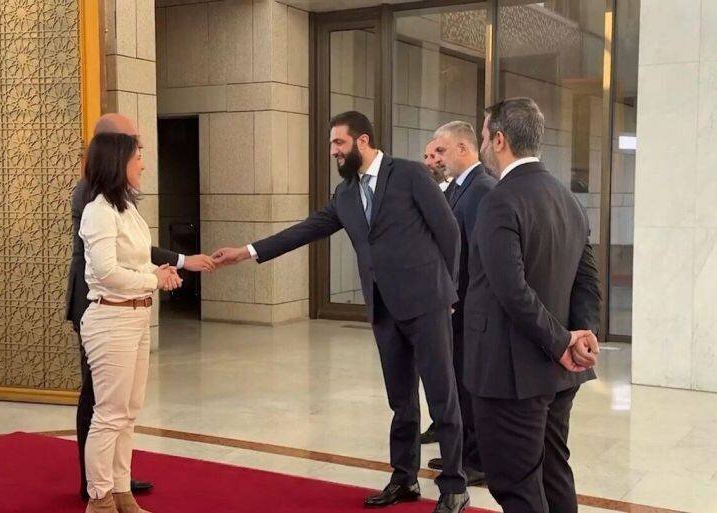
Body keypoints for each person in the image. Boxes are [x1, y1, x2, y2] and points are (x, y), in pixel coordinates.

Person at [213, 111, 471, 513]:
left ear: (362, 141)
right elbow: (305, 230)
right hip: (384, 309)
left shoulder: (409, 175)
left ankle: (454, 487)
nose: (333, 151)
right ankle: (404, 479)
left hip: (427, 304)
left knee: (442, 397)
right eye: (332, 144)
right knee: (401, 400)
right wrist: (246, 252)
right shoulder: (346, 194)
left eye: (338, 143)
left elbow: (449, 231)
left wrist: (448, 290)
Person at [64, 114, 215, 502]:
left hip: (131, 312)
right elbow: (107, 269)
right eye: (136, 150)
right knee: (104, 407)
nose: (143, 159)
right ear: (115, 154)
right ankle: (97, 492)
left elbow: (136, 255)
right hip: (105, 309)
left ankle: (119, 489)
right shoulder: (95, 203)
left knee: (125, 410)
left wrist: (161, 270)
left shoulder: (125, 205)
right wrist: (155, 279)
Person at [465, 97, 601, 513]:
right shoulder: (568, 199)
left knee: (516, 484)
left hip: (511, 373)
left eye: (484, 136)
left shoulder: (499, 200)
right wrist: (582, 336)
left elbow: (511, 290)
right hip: (560, 371)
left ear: (499, 140)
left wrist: (563, 342)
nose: (483, 145)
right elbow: (587, 281)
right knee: (553, 472)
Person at [426, 121, 496, 486]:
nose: (437, 158)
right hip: (454, 304)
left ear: (464, 149)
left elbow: (479, 256)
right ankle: (462, 452)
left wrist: (459, 299)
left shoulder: (482, 189)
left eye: (442, 150)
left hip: (469, 306)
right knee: (457, 382)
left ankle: (478, 460)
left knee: (469, 387)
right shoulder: (457, 188)